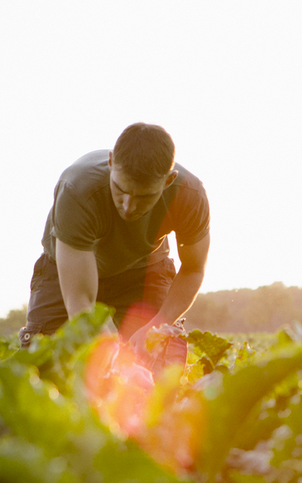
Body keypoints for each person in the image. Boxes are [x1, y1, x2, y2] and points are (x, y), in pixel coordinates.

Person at [19, 123, 210, 353]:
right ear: (111, 163)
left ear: (168, 181)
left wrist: (157, 324)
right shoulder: (78, 189)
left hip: (143, 270)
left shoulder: (189, 195)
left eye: (144, 197)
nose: (129, 207)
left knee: (161, 358)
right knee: (48, 361)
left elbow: (193, 269)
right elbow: (81, 302)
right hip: (67, 273)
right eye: (120, 190)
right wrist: (112, 356)